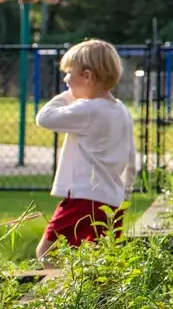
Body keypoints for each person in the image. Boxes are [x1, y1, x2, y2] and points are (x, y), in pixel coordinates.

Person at [34, 39, 136, 263]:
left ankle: (62, 295)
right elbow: (131, 158)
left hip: (83, 197)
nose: (65, 79)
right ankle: (99, 297)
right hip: (112, 200)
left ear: (88, 77)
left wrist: (70, 95)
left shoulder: (87, 108)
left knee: (45, 253)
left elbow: (44, 117)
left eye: (69, 74)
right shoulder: (121, 111)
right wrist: (125, 194)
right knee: (101, 260)